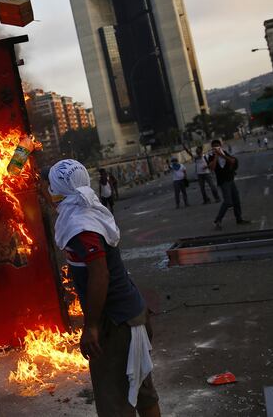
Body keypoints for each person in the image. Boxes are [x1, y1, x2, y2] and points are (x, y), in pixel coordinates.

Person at [48, 159, 161, 417]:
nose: (48, 191)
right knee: (143, 394)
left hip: (116, 322)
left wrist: (91, 327)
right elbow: (56, 191)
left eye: (51, 186)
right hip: (132, 313)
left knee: (115, 403)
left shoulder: (79, 226)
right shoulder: (87, 207)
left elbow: (100, 275)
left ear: (60, 190)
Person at [208, 139, 250, 230]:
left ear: (220, 146)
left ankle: (239, 219)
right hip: (223, 181)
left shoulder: (224, 153)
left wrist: (221, 155)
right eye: (214, 146)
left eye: (217, 146)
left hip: (230, 179)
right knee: (228, 202)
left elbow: (232, 161)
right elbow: (212, 167)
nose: (216, 148)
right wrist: (216, 156)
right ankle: (217, 220)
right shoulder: (211, 156)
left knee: (236, 200)